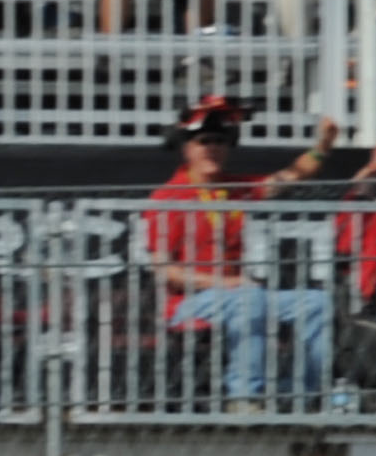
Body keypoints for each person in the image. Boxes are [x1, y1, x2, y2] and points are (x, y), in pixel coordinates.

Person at [143, 94, 338, 411]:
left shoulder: (234, 188)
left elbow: (291, 176)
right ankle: (244, 396)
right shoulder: (168, 196)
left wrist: (323, 146)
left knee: (317, 303)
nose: (213, 148)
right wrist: (224, 283)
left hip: (241, 297)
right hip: (187, 304)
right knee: (249, 299)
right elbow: (165, 270)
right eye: (204, 141)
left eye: (220, 141)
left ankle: (302, 393)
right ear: (187, 148)